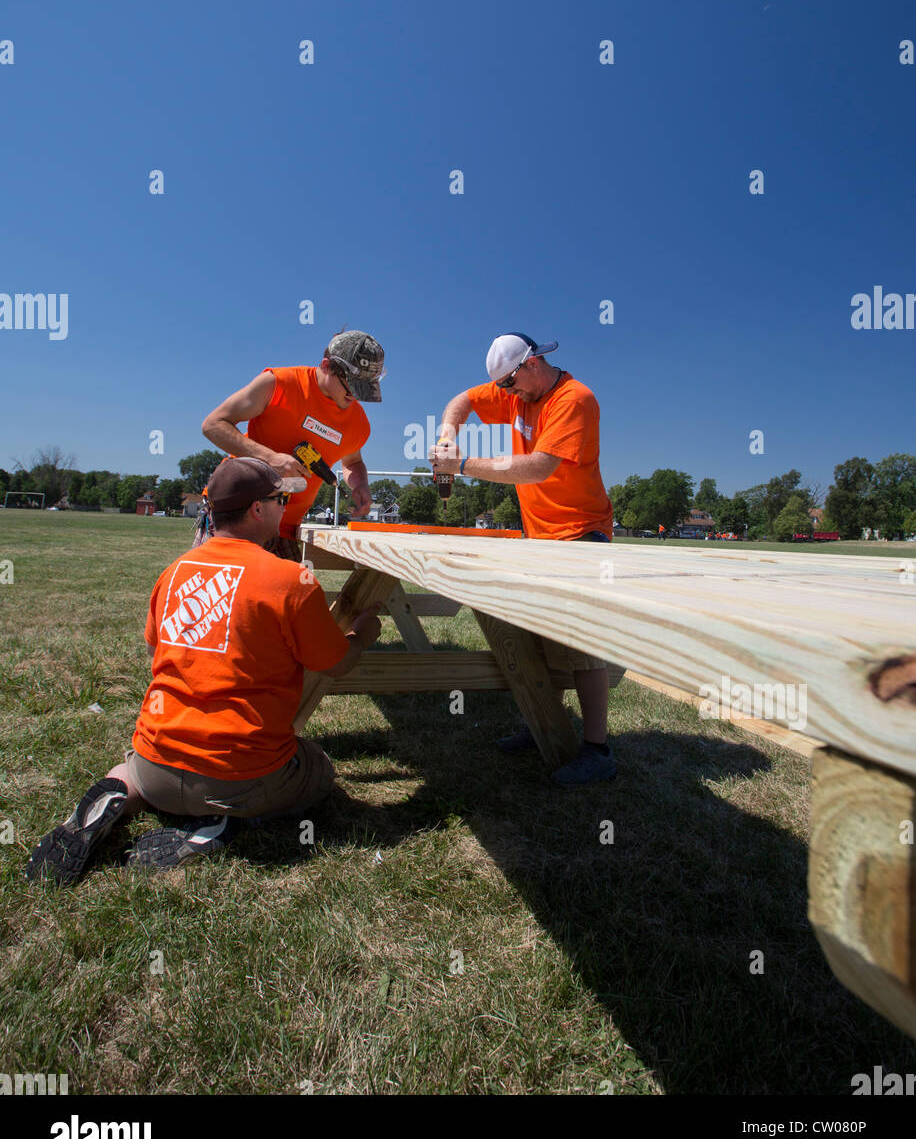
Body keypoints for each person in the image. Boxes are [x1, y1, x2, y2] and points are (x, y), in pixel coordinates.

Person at [26, 458, 382, 883]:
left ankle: (118, 793)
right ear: (257, 509)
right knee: (318, 769)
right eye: (280, 499)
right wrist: (362, 634)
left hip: (153, 762)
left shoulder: (172, 572)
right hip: (238, 775)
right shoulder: (291, 579)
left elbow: (155, 650)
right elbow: (336, 664)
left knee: (130, 771)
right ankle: (219, 825)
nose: (285, 507)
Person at [429, 332, 621, 786]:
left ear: (532, 365)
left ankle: (598, 750)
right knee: (539, 631)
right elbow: (462, 400)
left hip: (581, 534)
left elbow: (538, 467)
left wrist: (461, 465)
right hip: (541, 535)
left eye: (511, 387)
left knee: (583, 645)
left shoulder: (575, 400)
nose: (507, 397)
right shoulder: (519, 391)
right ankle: (545, 725)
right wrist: (446, 436)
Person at [200, 331, 385, 559]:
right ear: (326, 366)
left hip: (285, 529)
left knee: (288, 592)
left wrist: (360, 486)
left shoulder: (358, 424)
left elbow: (353, 462)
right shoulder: (279, 384)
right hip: (235, 518)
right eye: (350, 388)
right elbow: (213, 425)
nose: (354, 398)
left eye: (363, 390)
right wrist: (270, 459)